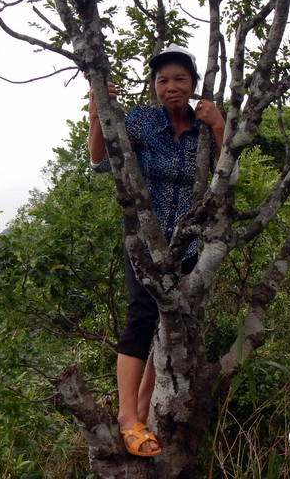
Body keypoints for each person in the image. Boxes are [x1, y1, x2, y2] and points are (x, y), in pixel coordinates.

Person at [87, 44, 225, 456]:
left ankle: (144, 412)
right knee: (142, 317)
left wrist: (219, 127)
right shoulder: (143, 121)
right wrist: (97, 112)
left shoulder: (204, 126)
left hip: (188, 247)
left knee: (173, 325)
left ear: (194, 85)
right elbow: (99, 159)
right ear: (154, 86)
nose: (170, 87)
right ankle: (127, 417)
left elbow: (225, 176)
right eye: (162, 80)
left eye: (180, 79)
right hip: (146, 245)